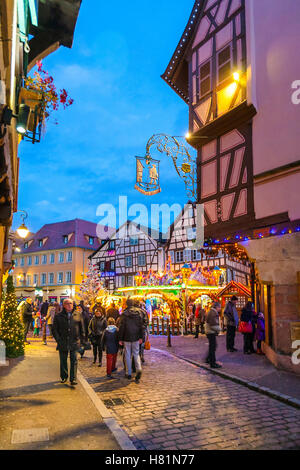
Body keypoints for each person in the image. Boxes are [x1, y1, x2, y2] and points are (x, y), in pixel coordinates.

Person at [52, 299, 82, 386]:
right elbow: (54, 329)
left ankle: (73, 379)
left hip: (74, 341)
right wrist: (58, 339)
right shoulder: (58, 316)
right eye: (67, 303)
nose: (69, 305)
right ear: (64, 305)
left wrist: (80, 339)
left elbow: (81, 328)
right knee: (63, 360)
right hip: (63, 341)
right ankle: (64, 377)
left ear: (73, 305)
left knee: (74, 360)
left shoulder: (77, 314)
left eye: (71, 303)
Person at [118, 298, 144, 383]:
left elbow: (122, 327)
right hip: (136, 336)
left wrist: (120, 338)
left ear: (126, 304)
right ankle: (138, 368)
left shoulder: (124, 314)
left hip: (126, 337)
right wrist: (141, 337)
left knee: (128, 355)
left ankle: (128, 373)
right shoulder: (138, 313)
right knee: (136, 354)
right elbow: (141, 326)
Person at [205, 301, 222, 369]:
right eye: (220, 307)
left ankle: (209, 359)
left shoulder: (211, 312)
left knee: (213, 346)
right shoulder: (213, 313)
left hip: (210, 331)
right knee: (213, 346)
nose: (220, 308)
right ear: (217, 307)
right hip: (210, 332)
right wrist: (219, 329)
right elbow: (213, 324)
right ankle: (212, 363)